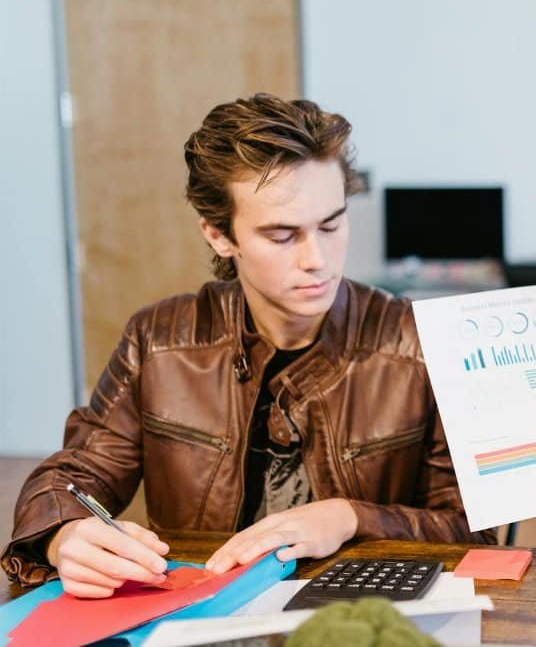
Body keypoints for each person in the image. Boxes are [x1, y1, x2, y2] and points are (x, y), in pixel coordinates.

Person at [3, 93, 493, 597]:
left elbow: (473, 531)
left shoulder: (417, 341)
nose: (317, 259)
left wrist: (349, 517)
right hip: (199, 615)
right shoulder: (159, 340)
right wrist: (64, 536)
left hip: (361, 616)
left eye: (331, 224)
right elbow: (70, 478)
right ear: (219, 235)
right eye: (283, 236)